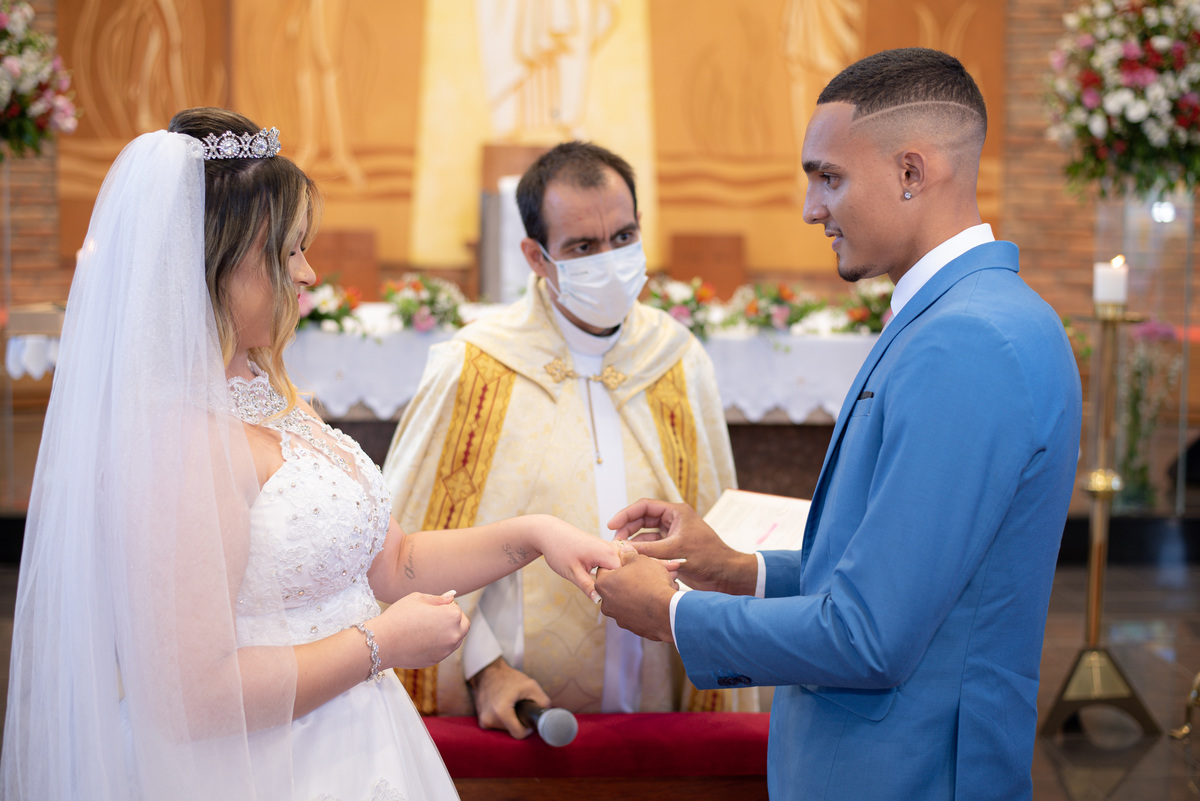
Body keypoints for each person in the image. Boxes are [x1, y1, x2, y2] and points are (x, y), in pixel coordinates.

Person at [0, 108, 620, 801]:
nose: (308, 272)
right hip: (262, 769)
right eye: (289, 251)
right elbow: (193, 697)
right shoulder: (184, 441)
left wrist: (533, 535)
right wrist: (381, 643)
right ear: (217, 263)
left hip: (354, 743)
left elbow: (395, 562)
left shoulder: (270, 396)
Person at [594, 48, 1083, 801]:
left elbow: (869, 634)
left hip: (904, 772)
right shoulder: (968, 313)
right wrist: (739, 570)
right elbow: (907, 570)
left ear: (912, 171)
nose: (811, 208)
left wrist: (675, 615)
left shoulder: (968, 340)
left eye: (829, 176)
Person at [381, 141, 746, 739]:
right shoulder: (478, 366)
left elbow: (714, 525)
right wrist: (483, 670)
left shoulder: (678, 360)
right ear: (537, 256)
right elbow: (415, 544)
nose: (610, 260)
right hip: (518, 714)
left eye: (624, 237)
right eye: (582, 247)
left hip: (653, 714)